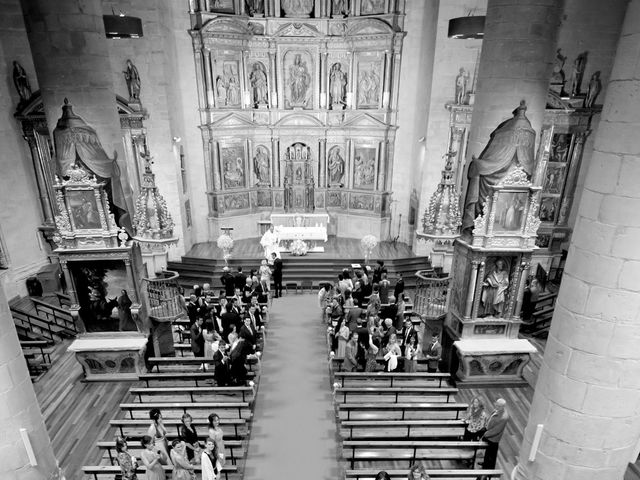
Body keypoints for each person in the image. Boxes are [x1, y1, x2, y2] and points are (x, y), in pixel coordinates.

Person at [482, 398, 509, 470]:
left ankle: (488, 469)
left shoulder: (503, 417)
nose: (496, 406)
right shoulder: (498, 410)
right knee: (488, 452)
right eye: (496, 404)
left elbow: (496, 430)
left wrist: (485, 434)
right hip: (489, 432)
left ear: (503, 407)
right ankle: (485, 464)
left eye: (498, 406)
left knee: (491, 455)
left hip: (493, 438)